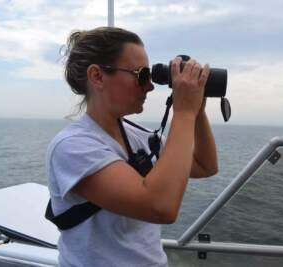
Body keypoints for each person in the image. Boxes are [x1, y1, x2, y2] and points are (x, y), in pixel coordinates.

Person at [45, 26, 218, 267]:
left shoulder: (138, 137)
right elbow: (160, 207)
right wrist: (185, 111)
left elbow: (204, 166)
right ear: (97, 77)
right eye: (141, 75)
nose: (149, 86)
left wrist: (197, 110)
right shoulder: (72, 147)